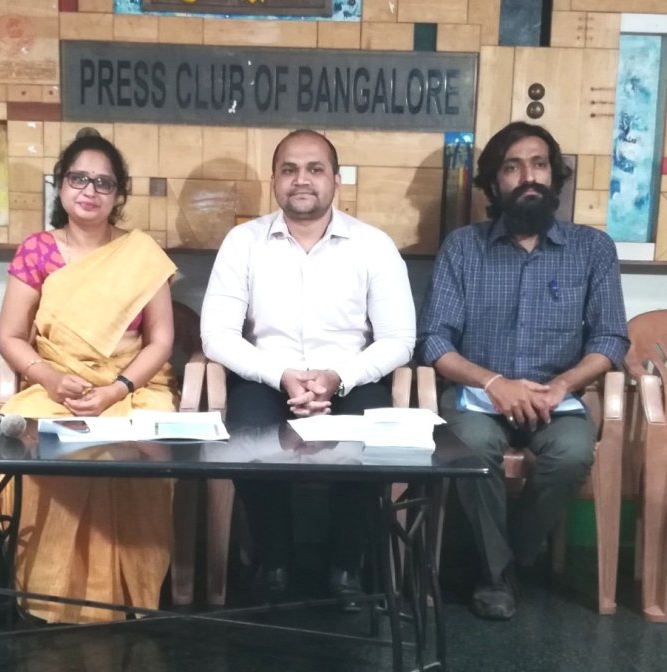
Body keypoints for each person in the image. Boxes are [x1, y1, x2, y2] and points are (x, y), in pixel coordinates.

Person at [415, 121, 629, 621]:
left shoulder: (592, 249)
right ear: (494, 183)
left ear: (554, 176)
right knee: (470, 444)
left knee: (572, 453)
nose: (528, 176)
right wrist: (494, 383)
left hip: (558, 398)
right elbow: (434, 341)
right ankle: (498, 577)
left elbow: (610, 339)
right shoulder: (463, 247)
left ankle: (503, 558)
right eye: (512, 167)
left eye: (539, 164)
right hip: (477, 396)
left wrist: (562, 385)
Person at [201, 129, 415, 609]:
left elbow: (399, 340)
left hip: (350, 379)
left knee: (368, 444)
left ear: (336, 180)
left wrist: (337, 377)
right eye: (290, 169)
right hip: (266, 377)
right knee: (248, 439)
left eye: (315, 169)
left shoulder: (373, 245)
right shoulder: (243, 242)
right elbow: (216, 335)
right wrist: (281, 375)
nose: (302, 179)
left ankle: (346, 567)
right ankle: (273, 563)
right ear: (274, 180)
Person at [0, 128, 178, 623]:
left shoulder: (141, 255)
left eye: (103, 182)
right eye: (79, 179)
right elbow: (10, 335)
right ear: (60, 185)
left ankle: (126, 595)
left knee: (143, 451)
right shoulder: (37, 250)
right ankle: (48, 594)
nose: (89, 191)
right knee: (37, 448)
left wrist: (117, 389)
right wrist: (50, 380)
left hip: (132, 387)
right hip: (55, 386)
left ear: (119, 194)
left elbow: (161, 341)